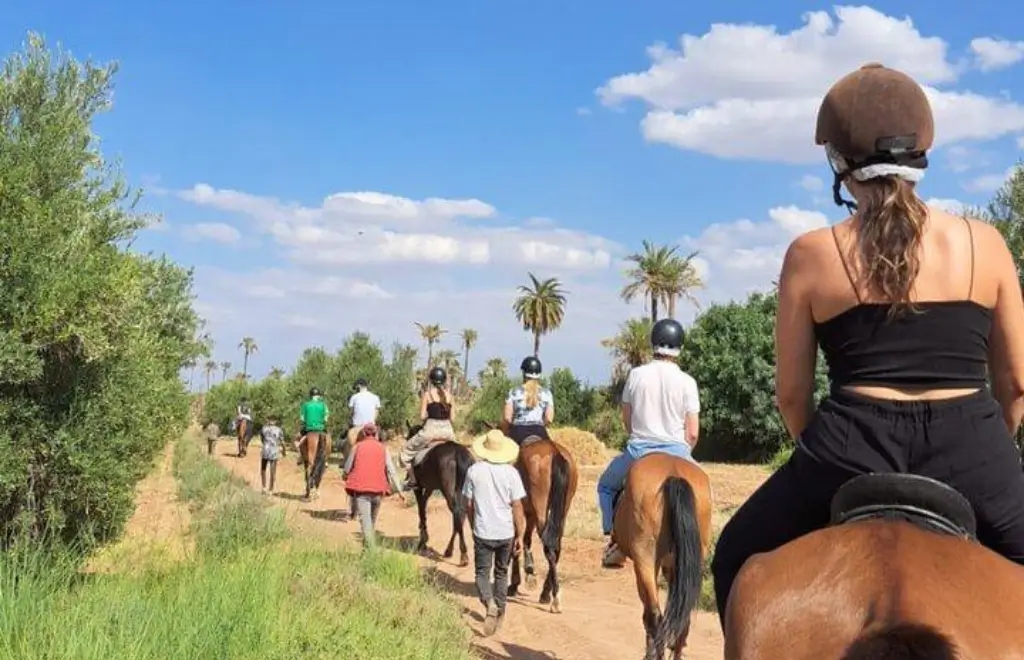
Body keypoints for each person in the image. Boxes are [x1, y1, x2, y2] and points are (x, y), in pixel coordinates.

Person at [710, 63, 1024, 629]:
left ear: (838, 162)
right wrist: (986, 446)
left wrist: (820, 454)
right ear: (923, 152)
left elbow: (790, 395)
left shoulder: (810, 253)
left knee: (736, 556)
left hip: (848, 443)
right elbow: (1018, 385)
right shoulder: (988, 244)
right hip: (972, 442)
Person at [596, 318, 701, 568]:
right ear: (680, 346)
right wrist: (684, 451)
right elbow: (693, 432)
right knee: (703, 488)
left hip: (639, 450)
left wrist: (638, 435)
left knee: (606, 487)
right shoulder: (688, 382)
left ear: (653, 343)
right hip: (679, 450)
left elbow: (627, 418)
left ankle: (615, 540)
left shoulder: (636, 375)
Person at [462, 429, 527, 637]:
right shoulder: (511, 473)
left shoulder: (474, 471)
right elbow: (517, 506)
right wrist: (520, 534)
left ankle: (489, 602)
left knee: (482, 573)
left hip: (483, 531)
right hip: (505, 532)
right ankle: (500, 612)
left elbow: (468, 504)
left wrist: (473, 525)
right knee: (501, 573)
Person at [343, 423, 402, 549]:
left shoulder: (357, 447)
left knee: (366, 524)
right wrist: (400, 490)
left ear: (363, 434)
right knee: (371, 523)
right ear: (376, 434)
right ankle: (367, 551)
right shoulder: (383, 448)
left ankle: (371, 553)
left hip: (362, 492)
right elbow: (391, 470)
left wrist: (346, 475)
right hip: (378, 493)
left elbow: (347, 468)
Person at [400, 366, 456, 490]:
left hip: (431, 430)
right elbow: (453, 419)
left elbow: (422, 416)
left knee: (405, 451)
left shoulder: (427, 395)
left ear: (431, 380)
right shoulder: (450, 396)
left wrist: (428, 416)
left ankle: (413, 480)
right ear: (444, 380)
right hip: (448, 431)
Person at [501, 356, 555, 445]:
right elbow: (549, 419)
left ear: (523, 373)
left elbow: (507, 418)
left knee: (505, 456)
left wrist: (505, 432)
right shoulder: (547, 393)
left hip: (518, 431)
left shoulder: (514, 392)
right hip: (540, 431)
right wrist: (540, 425)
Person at [343, 378, 381, 463]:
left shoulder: (354, 397)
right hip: (371, 426)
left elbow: (352, 412)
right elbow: (376, 412)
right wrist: (372, 421)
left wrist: (351, 420)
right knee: (380, 443)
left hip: (357, 425)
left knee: (347, 443)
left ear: (359, 386)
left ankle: (346, 461)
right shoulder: (375, 397)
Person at [295, 387, 330, 459]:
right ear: (319, 396)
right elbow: (326, 418)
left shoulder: (306, 405)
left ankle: (300, 455)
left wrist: (306, 422)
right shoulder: (323, 405)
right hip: (321, 428)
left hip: (308, 428)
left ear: (310, 396)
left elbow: (302, 418)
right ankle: (326, 459)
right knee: (328, 439)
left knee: (296, 439)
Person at [259, 416, 286, 495]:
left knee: (263, 469)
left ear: (268, 420)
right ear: (276, 421)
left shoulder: (264, 428)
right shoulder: (279, 430)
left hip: (265, 450)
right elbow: (282, 442)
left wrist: (265, 444)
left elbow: (262, 439)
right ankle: (270, 490)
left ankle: (263, 487)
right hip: (274, 451)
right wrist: (284, 451)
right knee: (273, 471)